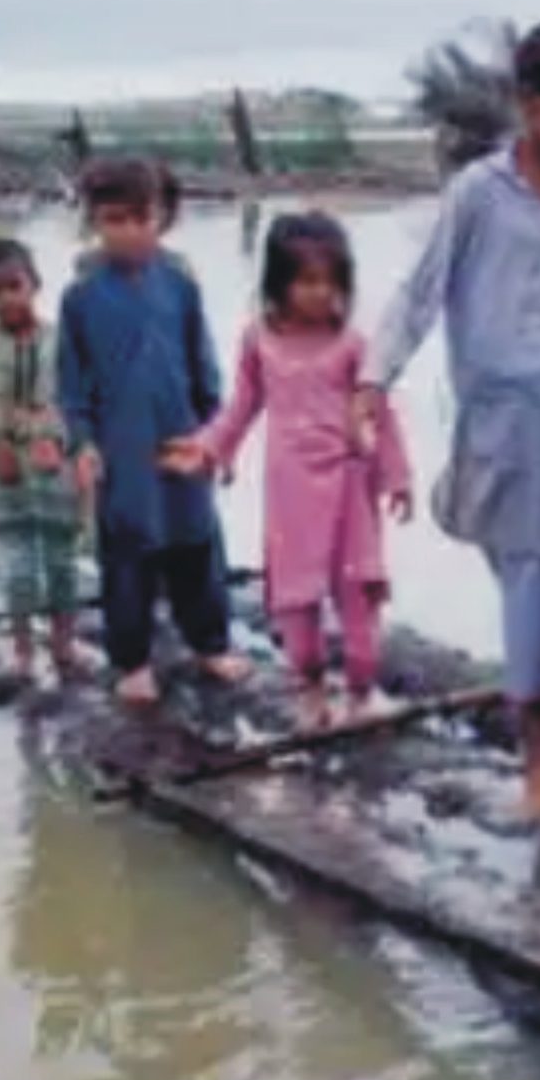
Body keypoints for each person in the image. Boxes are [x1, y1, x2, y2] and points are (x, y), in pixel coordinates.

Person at [358, 14, 540, 820]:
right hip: (511, 434)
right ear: (531, 103)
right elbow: (420, 294)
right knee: (534, 592)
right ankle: (538, 758)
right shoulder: (477, 197)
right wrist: (373, 380)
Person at [167, 211, 413, 730]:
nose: (320, 293)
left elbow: (380, 413)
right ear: (279, 282)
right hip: (292, 490)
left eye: (330, 281)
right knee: (296, 598)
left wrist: (397, 477)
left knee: (358, 594)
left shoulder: (353, 346)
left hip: (349, 485)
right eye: (306, 281)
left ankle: (362, 691)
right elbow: (242, 407)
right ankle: (310, 690)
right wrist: (209, 448)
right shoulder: (260, 340)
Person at [56, 156, 252, 706]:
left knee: (197, 545)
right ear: (94, 221)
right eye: (115, 220)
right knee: (126, 556)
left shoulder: (180, 286)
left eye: (142, 218)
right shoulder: (81, 299)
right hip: (122, 451)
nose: (130, 231)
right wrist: (83, 443)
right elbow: (72, 385)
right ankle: (133, 661)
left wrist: (219, 437)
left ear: (161, 217)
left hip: (182, 440)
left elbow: (205, 366)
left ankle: (210, 643)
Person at [0, 237, 85, 684]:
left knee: (63, 563)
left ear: (35, 284)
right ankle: (24, 650)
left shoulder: (63, 343)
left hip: (57, 472)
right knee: (19, 567)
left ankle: (66, 645)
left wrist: (61, 442)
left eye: (14, 286)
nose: (6, 299)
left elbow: (78, 407)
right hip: (6, 477)